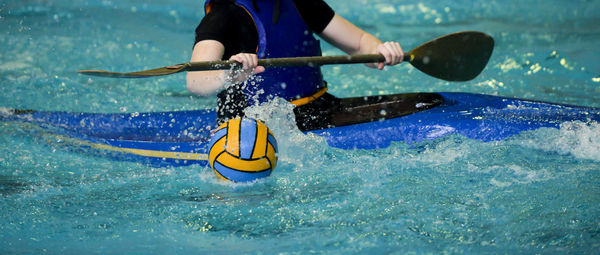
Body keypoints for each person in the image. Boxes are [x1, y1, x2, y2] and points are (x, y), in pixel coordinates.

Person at [186, 0, 404, 130]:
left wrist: (380, 51)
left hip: (317, 109)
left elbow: (359, 44)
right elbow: (196, 81)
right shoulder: (223, 15)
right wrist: (229, 75)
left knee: (427, 103)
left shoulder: (300, 3)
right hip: (254, 125)